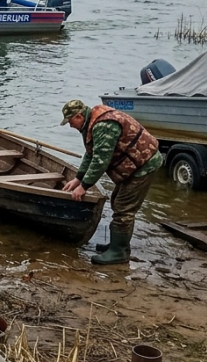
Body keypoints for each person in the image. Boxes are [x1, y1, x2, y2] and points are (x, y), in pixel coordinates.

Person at [59, 99, 165, 265]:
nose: (70, 126)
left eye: (70, 122)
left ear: (79, 116)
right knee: (117, 202)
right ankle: (117, 245)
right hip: (133, 166)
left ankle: (119, 252)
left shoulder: (103, 125)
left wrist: (84, 187)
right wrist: (78, 178)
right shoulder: (90, 122)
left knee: (123, 209)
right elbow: (90, 153)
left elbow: (101, 161)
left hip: (143, 166)